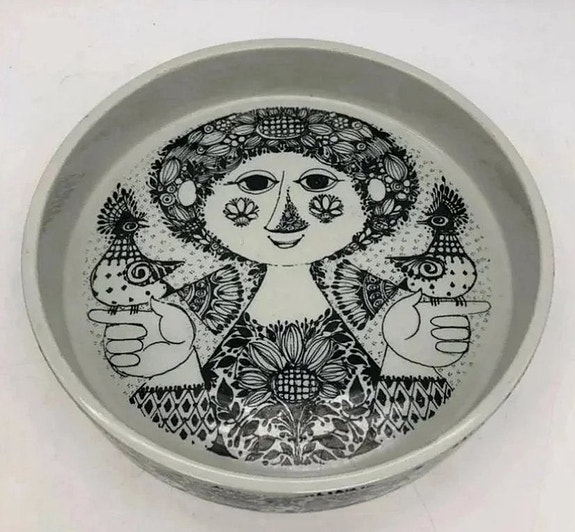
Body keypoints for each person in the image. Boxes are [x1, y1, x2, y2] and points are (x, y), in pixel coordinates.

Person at [89, 108, 489, 466]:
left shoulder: (395, 310)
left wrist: (410, 365)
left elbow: (402, 436)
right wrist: (172, 375)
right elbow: (186, 445)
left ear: (372, 198)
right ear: (195, 201)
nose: (286, 216)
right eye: (255, 184)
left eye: (316, 182)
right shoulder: (182, 313)